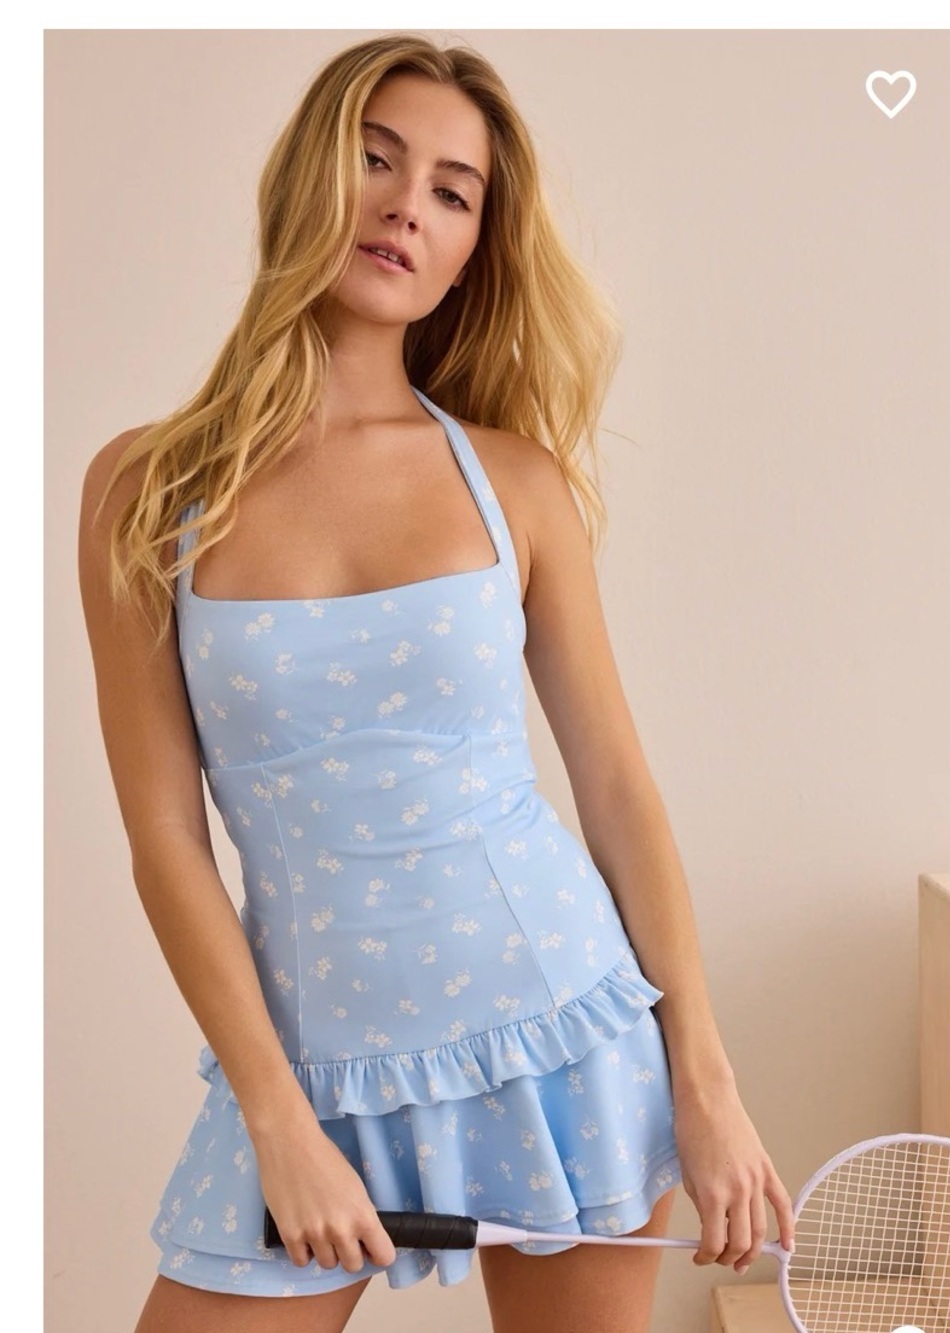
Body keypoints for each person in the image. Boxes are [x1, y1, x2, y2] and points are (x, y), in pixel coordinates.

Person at [78, 32, 795, 1333]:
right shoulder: (146, 487)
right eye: (377, 159)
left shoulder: (518, 485)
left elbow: (616, 790)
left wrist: (706, 1082)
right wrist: (276, 1118)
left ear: (471, 249)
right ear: (306, 175)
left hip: (563, 1038)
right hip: (306, 1073)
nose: (408, 205)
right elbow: (165, 839)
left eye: (453, 192)